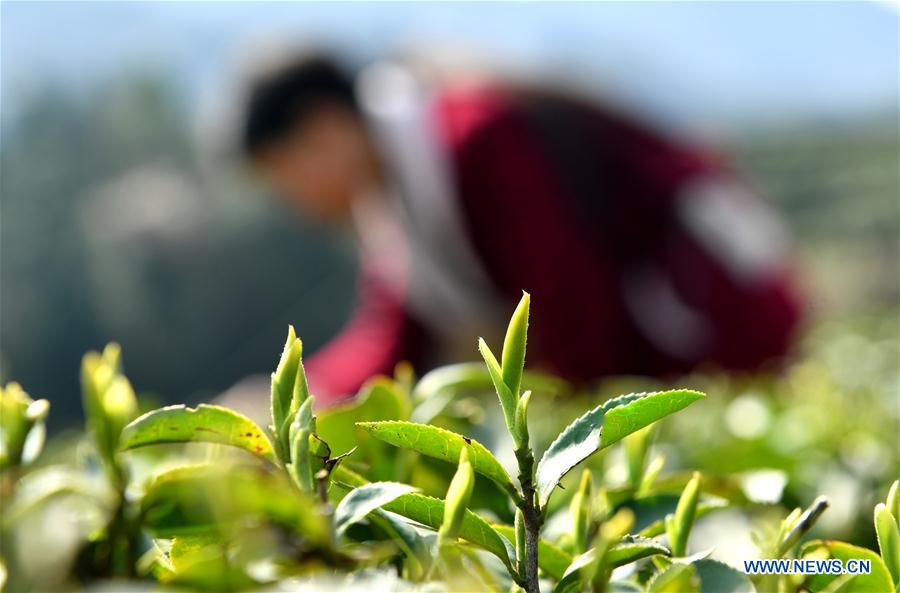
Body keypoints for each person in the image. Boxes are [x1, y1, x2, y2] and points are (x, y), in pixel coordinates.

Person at [239, 53, 802, 405]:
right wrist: (290, 401)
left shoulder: (475, 142)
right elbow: (396, 336)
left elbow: (571, 305)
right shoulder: (399, 193)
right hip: (676, 358)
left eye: (288, 177)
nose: (298, 202)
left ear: (325, 129)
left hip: (717, 325)